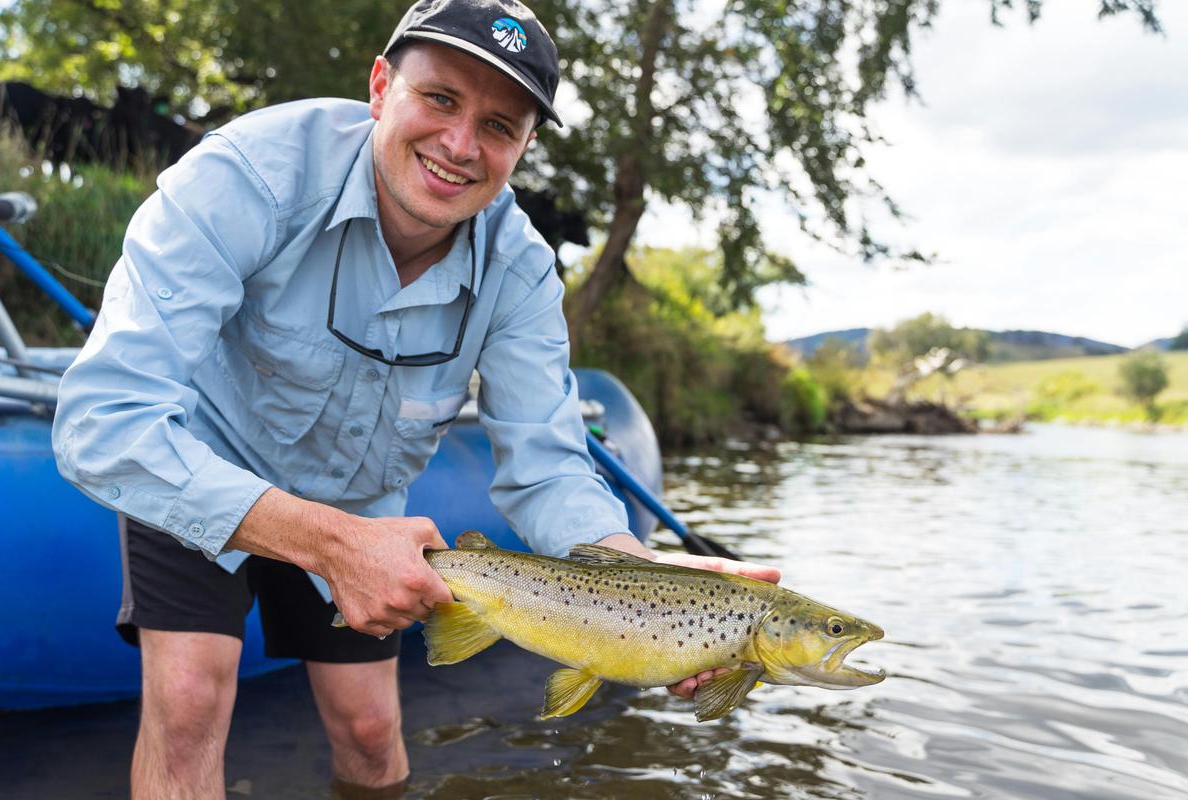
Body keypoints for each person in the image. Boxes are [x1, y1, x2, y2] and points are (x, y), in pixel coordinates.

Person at [53, 0, 781, 796]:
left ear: (525, 147)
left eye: (500, 126)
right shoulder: (248, 174)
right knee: (191, 702)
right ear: (379, 86)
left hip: (365, 500)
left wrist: (645, 581)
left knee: (370, 732)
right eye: (439, 99)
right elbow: (102, 422)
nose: (461, 146)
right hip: (201, 454)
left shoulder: (524, 272)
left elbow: (546, 470)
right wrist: (328, 546)